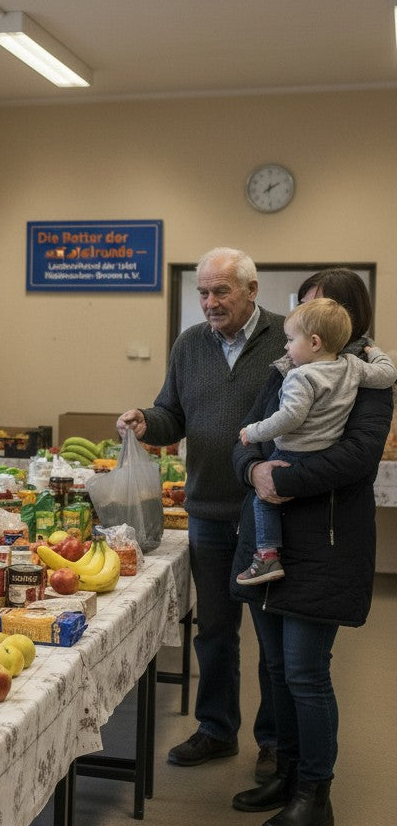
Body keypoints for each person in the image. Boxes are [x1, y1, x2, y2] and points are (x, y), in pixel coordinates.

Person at [230, 268, 392, 826]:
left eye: (319, 307)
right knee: (275, 671)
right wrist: (252, 468)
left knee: (304, 672)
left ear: (348, 319)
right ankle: (287, 771)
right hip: (267, 546)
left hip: (324, 544)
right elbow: (242, 437)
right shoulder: (287, 368)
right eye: (302, 306)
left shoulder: (369, 380)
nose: (306, 320)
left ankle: (314, 794)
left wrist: (278, 481)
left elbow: (357, 458)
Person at [117, 247, 286, 781]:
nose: (210, 303)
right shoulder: (190, 344)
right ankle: (216, 729)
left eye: (222, 292)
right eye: (203, 293)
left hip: (268, 514)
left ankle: (276, 741)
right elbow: (173, 414)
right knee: (214, 629)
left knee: (272, 631)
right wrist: (147, 420)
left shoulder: (288, 340)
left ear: (252, 291)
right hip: (208, 512)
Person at [237, 298, 396, 585]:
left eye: (289, 339)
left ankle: (266, 555)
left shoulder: (301, 376)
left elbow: (290, 418)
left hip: (294, 453)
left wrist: (255, 431)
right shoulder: (352, 366)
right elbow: (387, 375)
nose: (285, 347)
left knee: (263, 501)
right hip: (323, 451)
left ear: (313, 342)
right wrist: (375, 352)